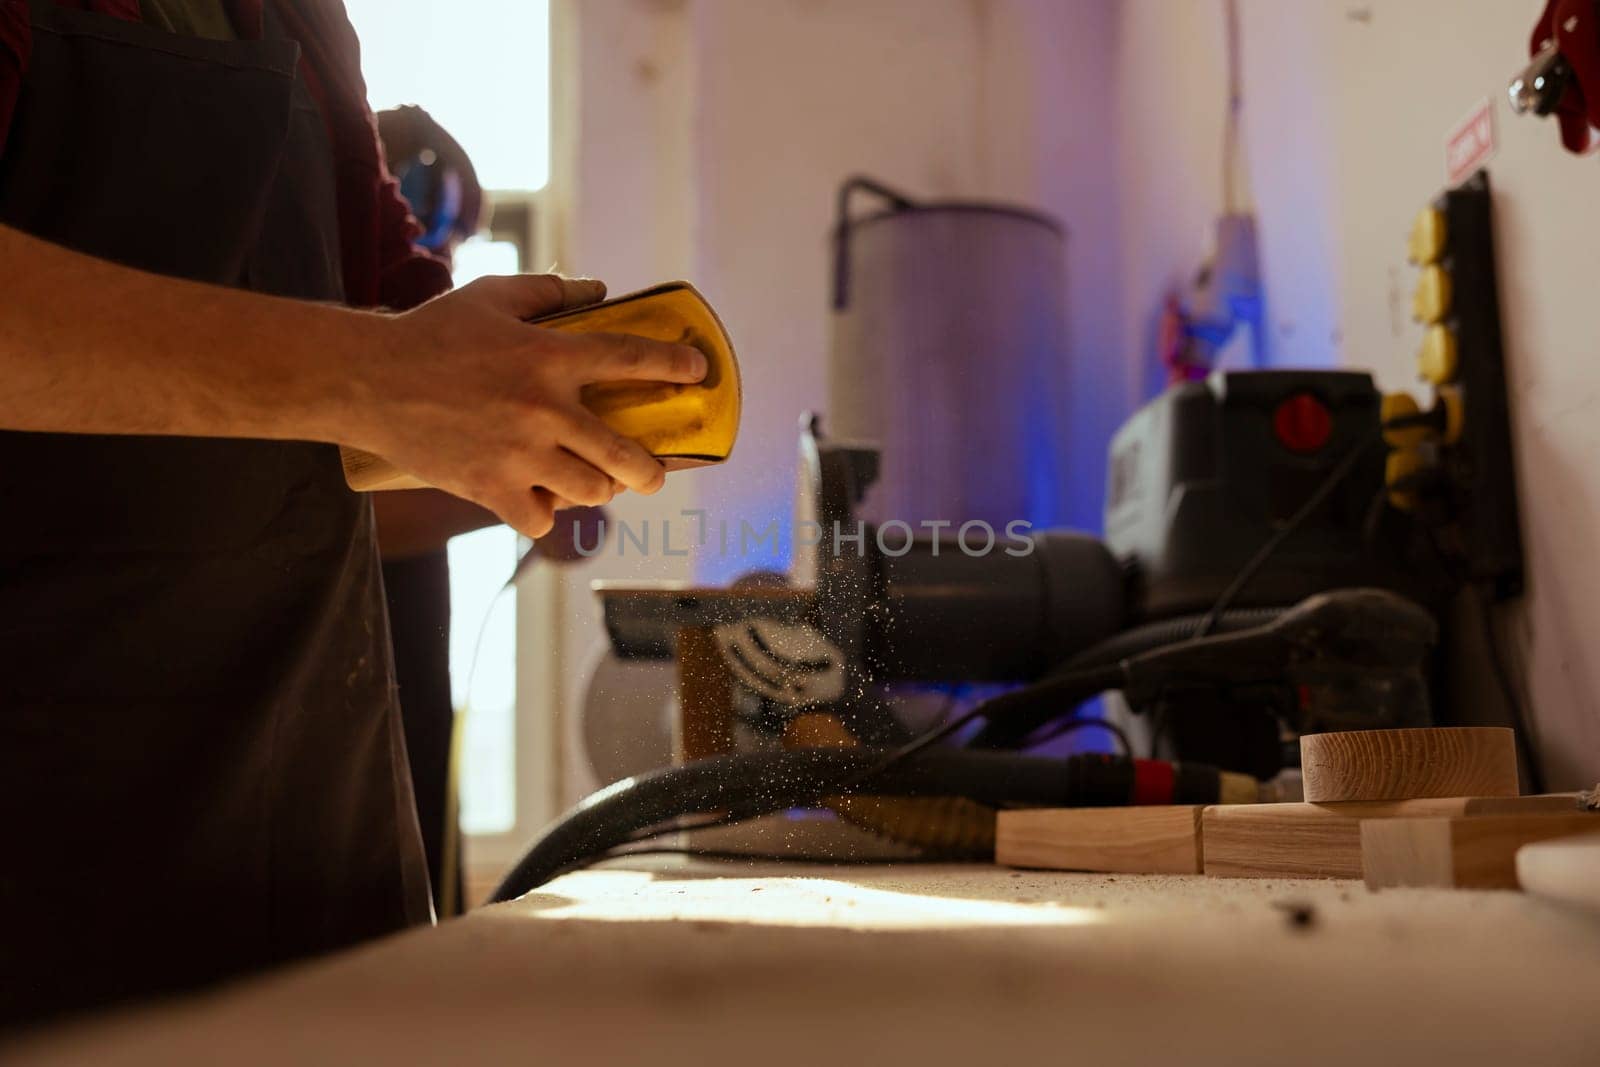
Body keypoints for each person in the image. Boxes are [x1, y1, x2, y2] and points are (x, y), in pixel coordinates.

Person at [0, 0, 704, 1027]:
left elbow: (390, 305)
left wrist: (540, 414)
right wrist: (377, 375)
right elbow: (375, 370)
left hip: (309, 829)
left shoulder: (301, 17)